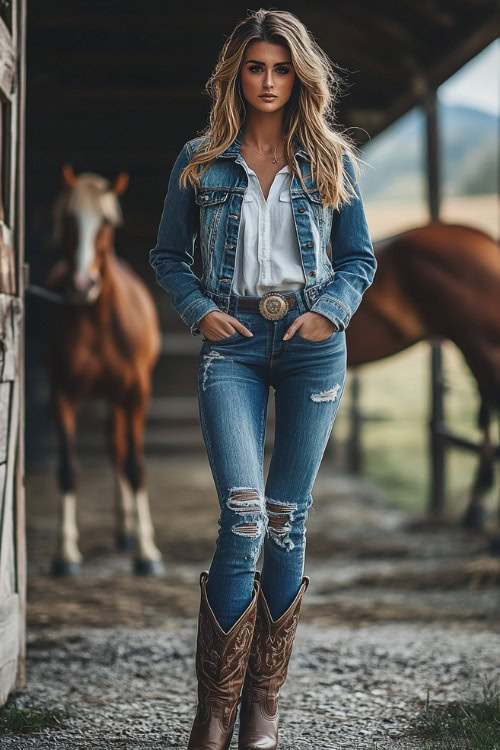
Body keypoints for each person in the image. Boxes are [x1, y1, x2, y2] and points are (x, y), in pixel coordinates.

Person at [149, 8, 376, 749]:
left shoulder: (331, 160)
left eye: (282, 68)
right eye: (256, 67)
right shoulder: (201, 158)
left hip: (312, 343)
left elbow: (358, 260)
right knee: (244, 513)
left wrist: (331, 313)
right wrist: (197, 312)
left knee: (288, 519)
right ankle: (214, 707)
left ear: (298, 74)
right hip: (234, 344)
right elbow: (167, 257)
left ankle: (262, 708)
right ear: (235, 74)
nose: (269, 81)